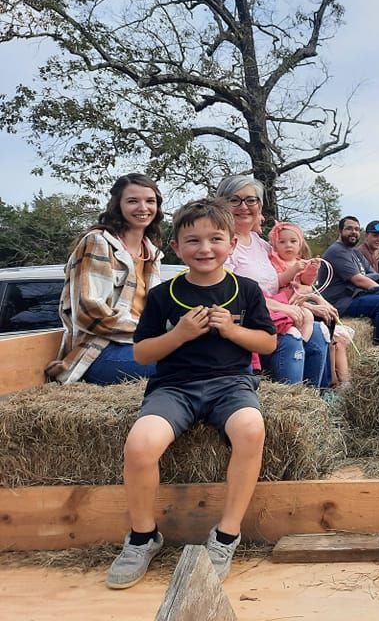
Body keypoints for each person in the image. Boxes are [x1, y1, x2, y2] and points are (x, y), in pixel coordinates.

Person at [106, 198, 277, 589]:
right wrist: (179, 334)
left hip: (232, 384)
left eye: (215, 239)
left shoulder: (245, 290)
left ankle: (227, 534)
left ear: (232, 244)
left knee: (251, 430)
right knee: (140, 445)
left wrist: (233, 331)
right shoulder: (164, 295)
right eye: (193, 240)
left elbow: (267, 344)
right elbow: (142, 352)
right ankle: (142, 537)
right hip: (175, 387)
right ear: (176, 248)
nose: (205, 249)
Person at [47, 173, 165, 385]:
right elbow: (89, 313)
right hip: (98, 352)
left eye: (150, 201)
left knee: (208, 355)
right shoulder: (98, 243)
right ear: (117, 205)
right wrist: (149, 331)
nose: (143, 207)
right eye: (132, 201)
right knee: (185, 363)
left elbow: (156, 310)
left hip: (138, 344)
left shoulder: (152, 253)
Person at [216, 175, 332, 386]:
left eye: (251, 200)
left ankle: (315, 403)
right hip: (248, 322)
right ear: (221, 204)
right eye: (234, 200)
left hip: (276, 312)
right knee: (292, 336)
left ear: (259, 206)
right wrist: (285, 308)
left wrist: (312, 300)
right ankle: (292, 403)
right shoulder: (221, 245)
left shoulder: (263, 246)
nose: (244, 207)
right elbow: (231, 293)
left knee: (319, 331)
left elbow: (282, 284)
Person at [268, 221, 355, 388]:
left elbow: (308, 282)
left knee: (329, 330)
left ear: (300, 244)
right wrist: (293, 271)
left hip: (299, 302)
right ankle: (305, 346)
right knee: (311, 320)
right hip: (285, 302)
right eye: (282, 242)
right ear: (275, 245)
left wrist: (312, 269)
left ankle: (339, 381)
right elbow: (278, 282)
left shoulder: (300, 261)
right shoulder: (275, 262)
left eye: (293, 242)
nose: (288, 245)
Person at [322, 216, 379, 342]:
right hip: (340, 302)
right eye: (349, 228)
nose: (353, 232)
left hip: (354, 296)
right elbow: (359, 280)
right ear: (340, 231)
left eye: (356, 229)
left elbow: (376, 276)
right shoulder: (337, 251)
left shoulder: (354, 252)